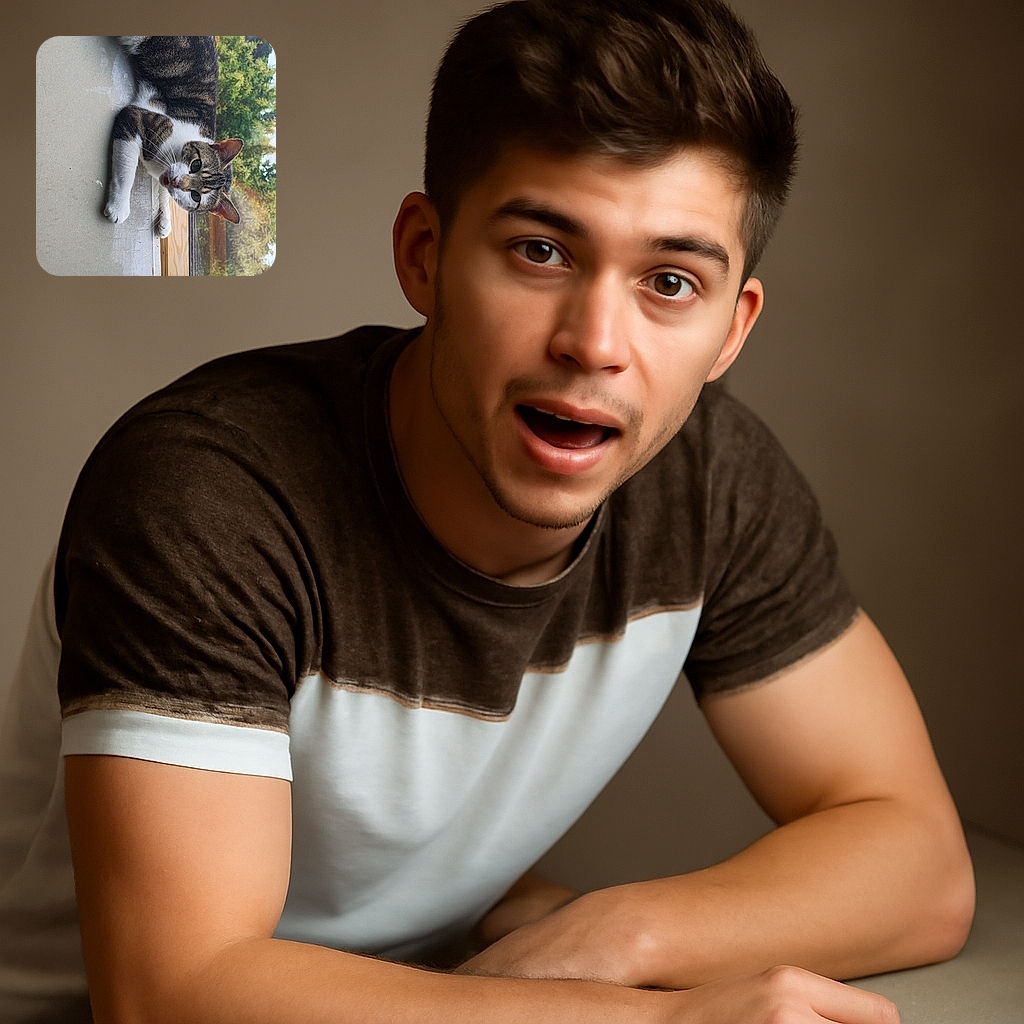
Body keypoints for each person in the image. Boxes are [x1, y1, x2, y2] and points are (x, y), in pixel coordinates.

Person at [0, 1, 974, 1021]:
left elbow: (917, 864)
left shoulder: (706, 481)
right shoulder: (208, 491)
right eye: (541, 252)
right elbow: (170, 993)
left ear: (731, 330)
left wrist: (613, 938)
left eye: (670, 281)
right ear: (424, 254)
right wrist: (666, 1018)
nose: (595, 342)